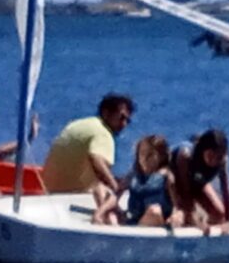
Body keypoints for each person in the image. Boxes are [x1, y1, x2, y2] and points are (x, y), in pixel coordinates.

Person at [42, 94, 133, 224]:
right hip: (71, 198)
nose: (123, 124)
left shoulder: (80, 124)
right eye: (121, 117)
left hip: (49, 191)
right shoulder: (103, 133)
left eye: (127, 121)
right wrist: (116, 189)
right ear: (106, 113)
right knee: (105, 192)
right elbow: (97, 161)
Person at [95, 134, 175, 226]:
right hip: (132, 218)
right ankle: (115, 229)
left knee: (154, 210)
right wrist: (100, 212)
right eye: (142, 154)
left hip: (154, 220)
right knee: (100, 189)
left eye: (150, 155)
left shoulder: (167, 176)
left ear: (161, 156)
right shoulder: (134, 174)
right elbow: (116, 195)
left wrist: (173, 217)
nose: (144, 159)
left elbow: (177, 204)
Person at [170, 129, 229, 235]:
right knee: (187, 215)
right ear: (202, 150)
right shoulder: (186, 155)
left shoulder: (222, 161)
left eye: (218, 157)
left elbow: (226, 190)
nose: (214, 161)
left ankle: (208, 239)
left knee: (219, 214)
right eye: (210, 156)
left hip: (197, 181)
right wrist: (196, 221)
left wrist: (228, 220)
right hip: (174, 183)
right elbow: (185, 191)